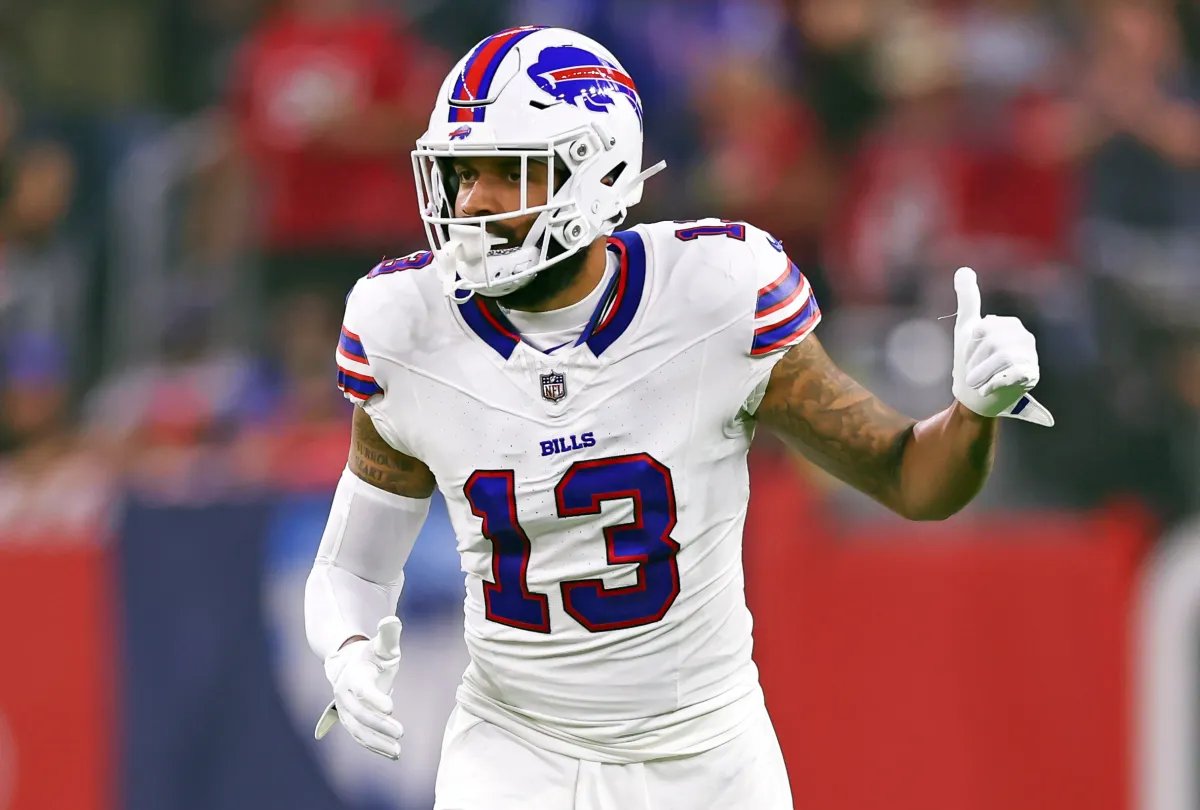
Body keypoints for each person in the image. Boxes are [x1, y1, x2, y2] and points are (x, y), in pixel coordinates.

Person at [303, 25, 1052, 810]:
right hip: (514, 746)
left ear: (598, 173)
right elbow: (354, 567)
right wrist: (348, 647)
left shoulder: (712, 293)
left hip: (704, 753)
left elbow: (909, 478)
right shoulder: (405, 325)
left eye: (509, 172)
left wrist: (973, 414)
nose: (472, 202)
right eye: (461, 173)